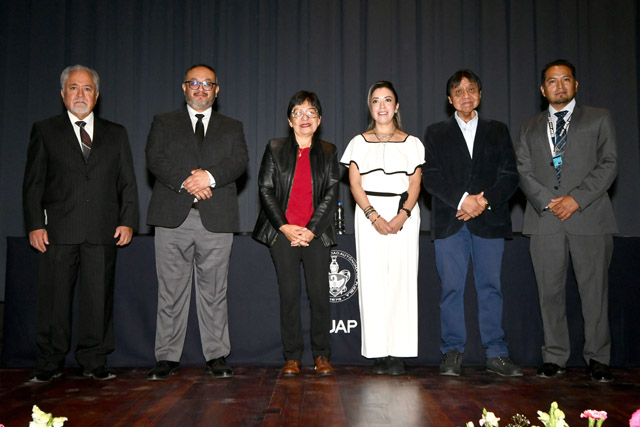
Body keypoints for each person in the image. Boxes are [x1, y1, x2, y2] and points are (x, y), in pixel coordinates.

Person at [22, 64, 139, 382]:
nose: (80, 94)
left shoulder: (116, 133)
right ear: (63, 94)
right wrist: (34, 224)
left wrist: (128, 220)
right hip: (58, 231)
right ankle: (50, 360)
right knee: (54, 300)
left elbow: (127, 182)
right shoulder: (45, 130)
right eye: (73, 88)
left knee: (98, 299)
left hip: (103, 230)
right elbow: (33, 183)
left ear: (97, 96)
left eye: (87, 88)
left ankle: (94, 359)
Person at [516, 59, 617, 382]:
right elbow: (523, 170)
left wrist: (576, 199)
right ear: (542, 89)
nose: (559, 86)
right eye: (552, 81)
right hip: (545, 219)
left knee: (595, 294)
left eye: (565, 79)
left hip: (589, 217)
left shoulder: (599, 118)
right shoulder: (529, 126)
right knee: (549, 294)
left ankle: (598, 358)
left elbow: (609, 164)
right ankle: (554, 356)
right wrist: (549, 200)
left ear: (575, 85)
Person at [145, 64, 248, 380]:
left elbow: (239, 162)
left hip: (216, 220)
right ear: (184, 87)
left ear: (217, 90)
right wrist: (188, 181)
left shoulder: (232, 126)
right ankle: (166, 357)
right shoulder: (164, 122)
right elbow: (155, 158)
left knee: (214, 291)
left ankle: (216, 355)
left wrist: (210, 177)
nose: (201, 88)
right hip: (171, 219)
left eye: (207, 84)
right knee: (170, 291)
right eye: (194, 83)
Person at [423, 69, 522, 377]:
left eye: (471, 90)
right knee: (451, 289)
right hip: (450, 222)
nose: (465, 95)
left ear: (480, 94)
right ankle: (452, 351)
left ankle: (496, 352)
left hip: (490, 221)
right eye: (458, 91)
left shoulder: (498, 130)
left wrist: (484, 201)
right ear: (449, 99)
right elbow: (431, 177)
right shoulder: (435, 132)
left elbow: (510, 175)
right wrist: (463, 200)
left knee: (490, 288)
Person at [253, 91, 339, 376]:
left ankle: (322, 355)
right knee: (289, 295)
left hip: (316, 235)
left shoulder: (329, 151)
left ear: (319, 120)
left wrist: (311, 230)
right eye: (298, 113)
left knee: (319, 295)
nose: (305, 117)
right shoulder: (275, 148)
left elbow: (331, 193)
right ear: (289, 121)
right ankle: (292, 356)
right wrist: (285, 227)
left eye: (311, 112)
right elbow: (265, 189)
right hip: (283, 234)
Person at [340, 81, 423, 375]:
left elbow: (415, 183)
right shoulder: (358, 143)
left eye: (388, 100)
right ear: (370, 107)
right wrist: (373, 215)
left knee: (402, 280)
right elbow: (355, 184)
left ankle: (399, 352)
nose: (382, 106)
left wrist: (403, 215)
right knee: (373, 281)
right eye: (376, 100)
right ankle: (377, 351)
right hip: (368, 214)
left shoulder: (412, 143)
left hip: (404, 214)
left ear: (396, 106)